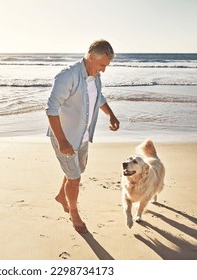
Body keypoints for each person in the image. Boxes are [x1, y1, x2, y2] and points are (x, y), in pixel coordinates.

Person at [46, 39, 120, 233]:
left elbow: (98, 98)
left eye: (106, 66)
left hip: (83, 135)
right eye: (102, 65)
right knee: (75, 177)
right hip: (65, 135)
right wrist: (62, 141)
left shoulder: (94, 76)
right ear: (91, 57)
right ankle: (74, 213)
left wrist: (110, 114)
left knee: (78, 171)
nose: (103, 70)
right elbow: (51, 110)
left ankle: (62, 196)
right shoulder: (67, 76)